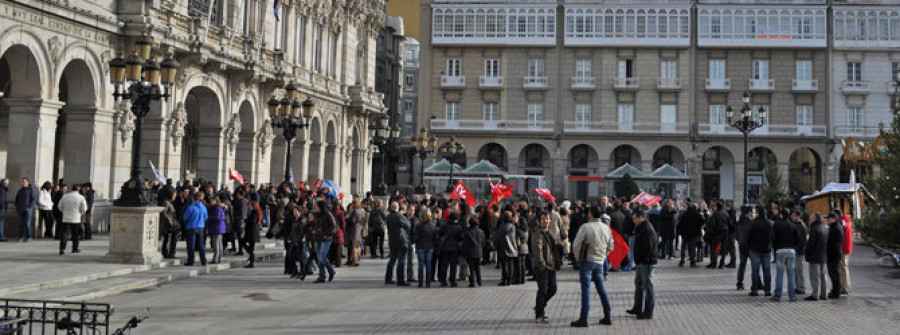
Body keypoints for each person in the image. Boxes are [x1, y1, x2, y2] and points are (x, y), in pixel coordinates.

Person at [571, 205, 614, 327]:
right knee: (601, 289)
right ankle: (607, 314)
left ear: (590, 214)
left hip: (587, 261)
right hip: (600, 262)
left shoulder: (585, 227)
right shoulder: (606, 228)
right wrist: (603, 255)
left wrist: (578, 258)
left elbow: (576, 244)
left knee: (586, 290)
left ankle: (584, 318)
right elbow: (611, 245)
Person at [627, 208, 657, 320]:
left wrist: (643, 260)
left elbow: (648, 248)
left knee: (648, 286)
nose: (633, 220)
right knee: (639, 284)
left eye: (635, 218)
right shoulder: (640, 227)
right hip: (640, 261)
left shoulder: (647, 229)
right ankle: (637, 308)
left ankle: (648, 312)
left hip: (646, 262)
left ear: (641, 217)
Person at [532, 211, 559, 324]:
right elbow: (537, 250)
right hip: (542, 266)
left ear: (550, 220)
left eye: (547, 219)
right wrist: (542, 264)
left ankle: (540, 306)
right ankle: (540, 313)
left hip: (550, 265)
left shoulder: (549, 232)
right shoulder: (538, 233)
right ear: (540, 220)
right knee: (543, 289)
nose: (545, 221)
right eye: (543, 219)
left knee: (553, 288)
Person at [771, 208, 801, 301]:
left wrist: (776, 246)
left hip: (780, 250)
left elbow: (772, 238)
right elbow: (798, 239)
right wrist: (793, 247)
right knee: (791, 274)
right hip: (791, 251)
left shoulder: (777, 224)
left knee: (780, 274)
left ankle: (777, 295)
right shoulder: (793, 226)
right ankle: (792, 296)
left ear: (781, 215)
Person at [748, 206, 773, 296]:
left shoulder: (753, 223)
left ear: (758, 213)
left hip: (755, 250)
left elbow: (749, 236)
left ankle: (754, 290)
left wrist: (749, 246)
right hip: (767, 250)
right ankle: (768, 290)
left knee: (755, 271)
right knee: (767, 271)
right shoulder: (770, 223)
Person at [385, 202, 411, 286]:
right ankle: (400, 280)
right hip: (401, 240)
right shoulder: (399, 216)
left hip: (392, 240)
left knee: (392, 259)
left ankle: (388, 278)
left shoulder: (388, 217)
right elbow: (408, 225)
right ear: (398, 207)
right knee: (401, 260)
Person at [56, 184, 87, 255]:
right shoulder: (81, 197)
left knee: (64, 234)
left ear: (72, 189)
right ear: (78, 190)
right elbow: (84, 208)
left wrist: (64, 211)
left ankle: (62, 249)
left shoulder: (65, 196)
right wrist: (80, 213)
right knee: (75, 234)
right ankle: (75, 249)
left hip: (66, 217)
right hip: (76, 218)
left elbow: (59, 206)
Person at [805, 213, 828, 301]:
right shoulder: (824, 228)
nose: (810, 218)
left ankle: (815, 294)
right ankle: (824, 293)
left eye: (812, 217)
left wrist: (807, 252)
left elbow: (811, 243)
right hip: (823, 255)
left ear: (815, 218)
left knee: (814, 276)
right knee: (823, 275)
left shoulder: (814, 229)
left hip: (814, 256)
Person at [182, 192, 209, 266]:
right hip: (201, 227)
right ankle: (204, 260)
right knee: (201, 244)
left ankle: (191, 261)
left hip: (191, 227)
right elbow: (206, 217)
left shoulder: (191, 207)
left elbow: (185, 218)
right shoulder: (203, 207)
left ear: (193, 199)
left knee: (191, 245)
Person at [438, 212, 463, 287]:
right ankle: (452, 281)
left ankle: (443, 281)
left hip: (445, 247)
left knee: (444, 265)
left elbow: (440, 234)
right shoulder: (458, 227)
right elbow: (460, 238)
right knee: (453, 266)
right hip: (454, 248)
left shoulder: (444, 225)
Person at [493, 211, 518, 286]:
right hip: (512, 247)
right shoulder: (513, 226)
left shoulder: (501, 227)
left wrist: (496, 245)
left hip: (503, 247)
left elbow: (497, 237)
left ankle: (505, 280)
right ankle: (510, 279)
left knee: (504, 265)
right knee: (510, 264)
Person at [460, 217, 485, 287]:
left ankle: (472, 282)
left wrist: (463, 253)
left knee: (471, 268)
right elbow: (483, 242)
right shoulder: (481, 231)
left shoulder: (467, 232)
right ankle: (479, 281)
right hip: (479, 252)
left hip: (470, 252)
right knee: (477, 267)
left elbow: (465, 244)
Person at [415, 210, 437, 288]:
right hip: (430, 246)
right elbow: (435, 237)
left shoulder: (419, 225)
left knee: (421, 265)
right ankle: (428, 282)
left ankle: (420, 282)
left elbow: (416, 237)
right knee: (428, 265)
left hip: (421, 246)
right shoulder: (433, 226)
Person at [825, 213, 844, 299]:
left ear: (833, 219)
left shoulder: (836, 229)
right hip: (833, 254)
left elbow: (834, 244)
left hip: (834, 255)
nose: (827, 221)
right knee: (833, 274)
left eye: (828, 219)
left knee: (835, 274)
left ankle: (836, 292)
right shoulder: (834, 227)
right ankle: (835, 290)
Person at [678, 203, 703, 268]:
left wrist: (680, 232)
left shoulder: (685, 214)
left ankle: (682, 261)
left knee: (683, 248)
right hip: (694, 234)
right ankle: (692, 262)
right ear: (695, 208)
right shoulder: (697, 214)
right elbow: (702, 222)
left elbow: (680, 223)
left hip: (685, 233)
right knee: (692, 248)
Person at [791, 210, 808, 295]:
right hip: (795, 250)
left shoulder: (801, 226)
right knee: (796, 270)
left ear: (798, 216)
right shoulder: (796, 225)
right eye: (792, 215)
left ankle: (801, 287)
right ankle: (797, 286)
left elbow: (802, 241)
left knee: (799, 270)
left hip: (798, 251)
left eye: (794, 215)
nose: (792, 217)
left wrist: (796, 250)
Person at [836, 209, 853, 295]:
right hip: (847, 247)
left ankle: (845, 287)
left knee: (843, 267)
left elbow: (840, 231)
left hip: (844, 248)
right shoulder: (847, 220)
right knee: (845, 267)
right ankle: (847, 286)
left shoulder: (842, 222)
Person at [15, 178, 37, 242]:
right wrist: (17, 206)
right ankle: (21, 237)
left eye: (24, 182)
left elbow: (33, 199)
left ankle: (29, 236)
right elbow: (17, 199)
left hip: (27, 209)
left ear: (28, 182)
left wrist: (29, 207)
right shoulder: (20, 190)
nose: (23, 183)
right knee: (20, 223)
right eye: (22, 182)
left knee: (27, 223)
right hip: (20, 209)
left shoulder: (31, 189)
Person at [207, 196, 227, 264]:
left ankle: (216, 258)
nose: (211, 202)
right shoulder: (219, 208)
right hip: (219, 228)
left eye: (212, 201)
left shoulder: (217, 209)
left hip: (217, 228)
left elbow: (217, 218)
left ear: (216, 201)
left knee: (216, 244)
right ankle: (219, 258)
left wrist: (209, 218)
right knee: (219, 243)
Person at [159, 191, 178, 259]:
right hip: (166, 224)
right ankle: (165, 252)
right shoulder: (166, 203)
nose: (175, 196)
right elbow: (164, 212)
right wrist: (169, 220)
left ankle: (168, 252)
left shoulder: (170, 202)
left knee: (168, 238)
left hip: (169, 223)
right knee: (166, 239)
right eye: (174, 195)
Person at [243, 200, 262, 268]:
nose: (249, 206)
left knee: (246, 244)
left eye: (250, 205)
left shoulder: (255, 212)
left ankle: (252, 258)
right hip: (252, 232)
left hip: (252, 232)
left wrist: (246, 220)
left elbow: (253, 221)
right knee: (250, 247)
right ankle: (251, 258)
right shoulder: (254, 212)